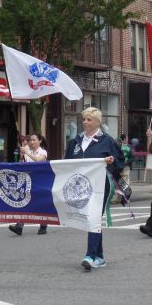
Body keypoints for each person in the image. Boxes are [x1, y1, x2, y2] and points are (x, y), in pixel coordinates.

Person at [64, 107, 123, 270]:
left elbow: (120, 162)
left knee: (93, 217)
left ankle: (90, 255)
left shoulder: (108, 141)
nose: (85, 122)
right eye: (84, 119)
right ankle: (100, 257)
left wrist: (111, 162)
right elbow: (67, 163)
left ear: (98, 122)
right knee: (92, 219)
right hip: (80, 187)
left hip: (100, 186)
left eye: (89, 119)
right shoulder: (75, 142)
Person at [9, 133, 49, 236]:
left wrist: (27, 152)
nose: (32, 142)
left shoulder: (43, 152)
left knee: (41, 203)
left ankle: (43, 225)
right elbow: (21, 165)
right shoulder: (28, 152)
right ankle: (19, 226)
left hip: (40, 181)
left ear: (39, 141)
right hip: (28, 180)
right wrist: (22, 156)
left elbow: (38, 161)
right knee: (23, 201)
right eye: (30, 140)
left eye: (34, 140)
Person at [116, 134, 133, 203]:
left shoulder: (116, 147)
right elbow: (132, 157)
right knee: (126, 182)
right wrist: (127, 162)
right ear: (125, 139)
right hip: (126, 167)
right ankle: (125, 197)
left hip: (117, 167)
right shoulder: (128, 147)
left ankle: (119, 197)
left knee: (119, 182)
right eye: (127, 138)